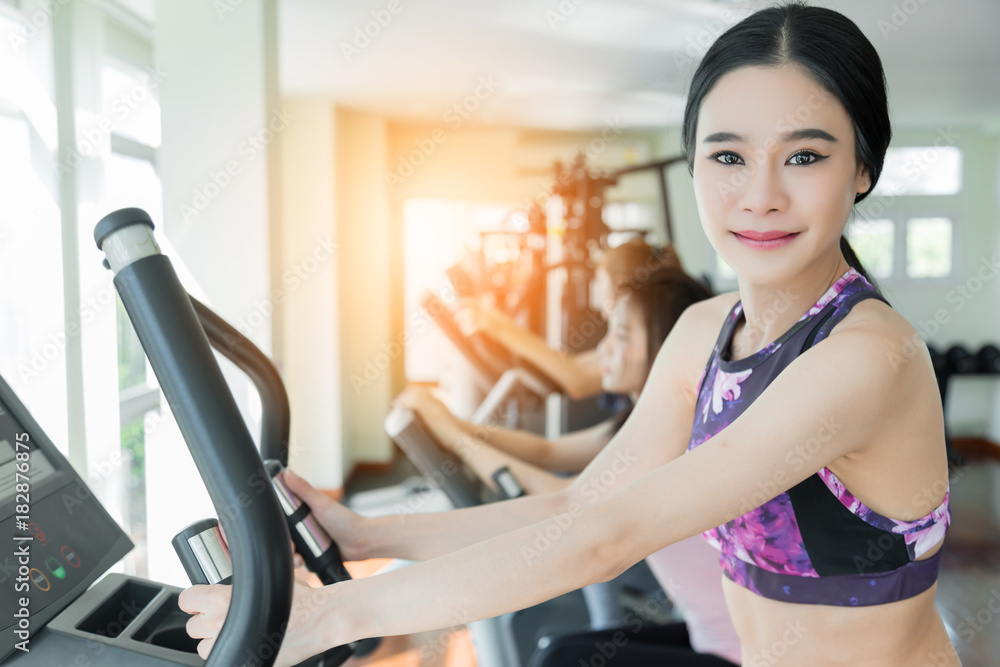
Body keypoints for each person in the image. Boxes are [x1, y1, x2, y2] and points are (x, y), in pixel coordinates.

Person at [180, 5, 957, 665]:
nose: (760, 195)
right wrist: (364, 531)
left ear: (862, 168)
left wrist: (333, 615)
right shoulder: (699, 333)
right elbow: (582, 506)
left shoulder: (869, 357)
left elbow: (607, 538)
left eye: (806, 156)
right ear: (694, 166)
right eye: (728, 155)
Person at [394, 267, 711, 497]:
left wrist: (449, 433)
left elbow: (564, 496)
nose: (604, 348)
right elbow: (547, 451)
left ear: (668, 346)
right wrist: (452, 423)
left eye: (623, 334)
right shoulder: (643, 419)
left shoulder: (668, 434)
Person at [456, 239, 683, 399]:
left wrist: (497, 326)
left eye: (600, 285)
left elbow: (578, 379)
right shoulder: (622, 340)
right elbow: (572, 367)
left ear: (619, 284)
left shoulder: (648, 338)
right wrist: (496, 322)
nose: (598, 298)